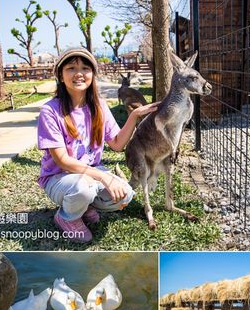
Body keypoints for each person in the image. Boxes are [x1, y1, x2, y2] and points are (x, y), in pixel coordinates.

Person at [37, 48, 159, 243]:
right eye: (71, 68)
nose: (79, 73)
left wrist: (134, 116)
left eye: (85, 68)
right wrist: (103, 176)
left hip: (90, 174)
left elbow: (117, 144)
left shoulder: (99, 106)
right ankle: (66, 217)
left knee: (125, 195)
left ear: (92, 74)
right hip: (59, 177)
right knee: (82, 189)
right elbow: (63, 161)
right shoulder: (50, 111)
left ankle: (84, 206)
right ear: (60, 75)